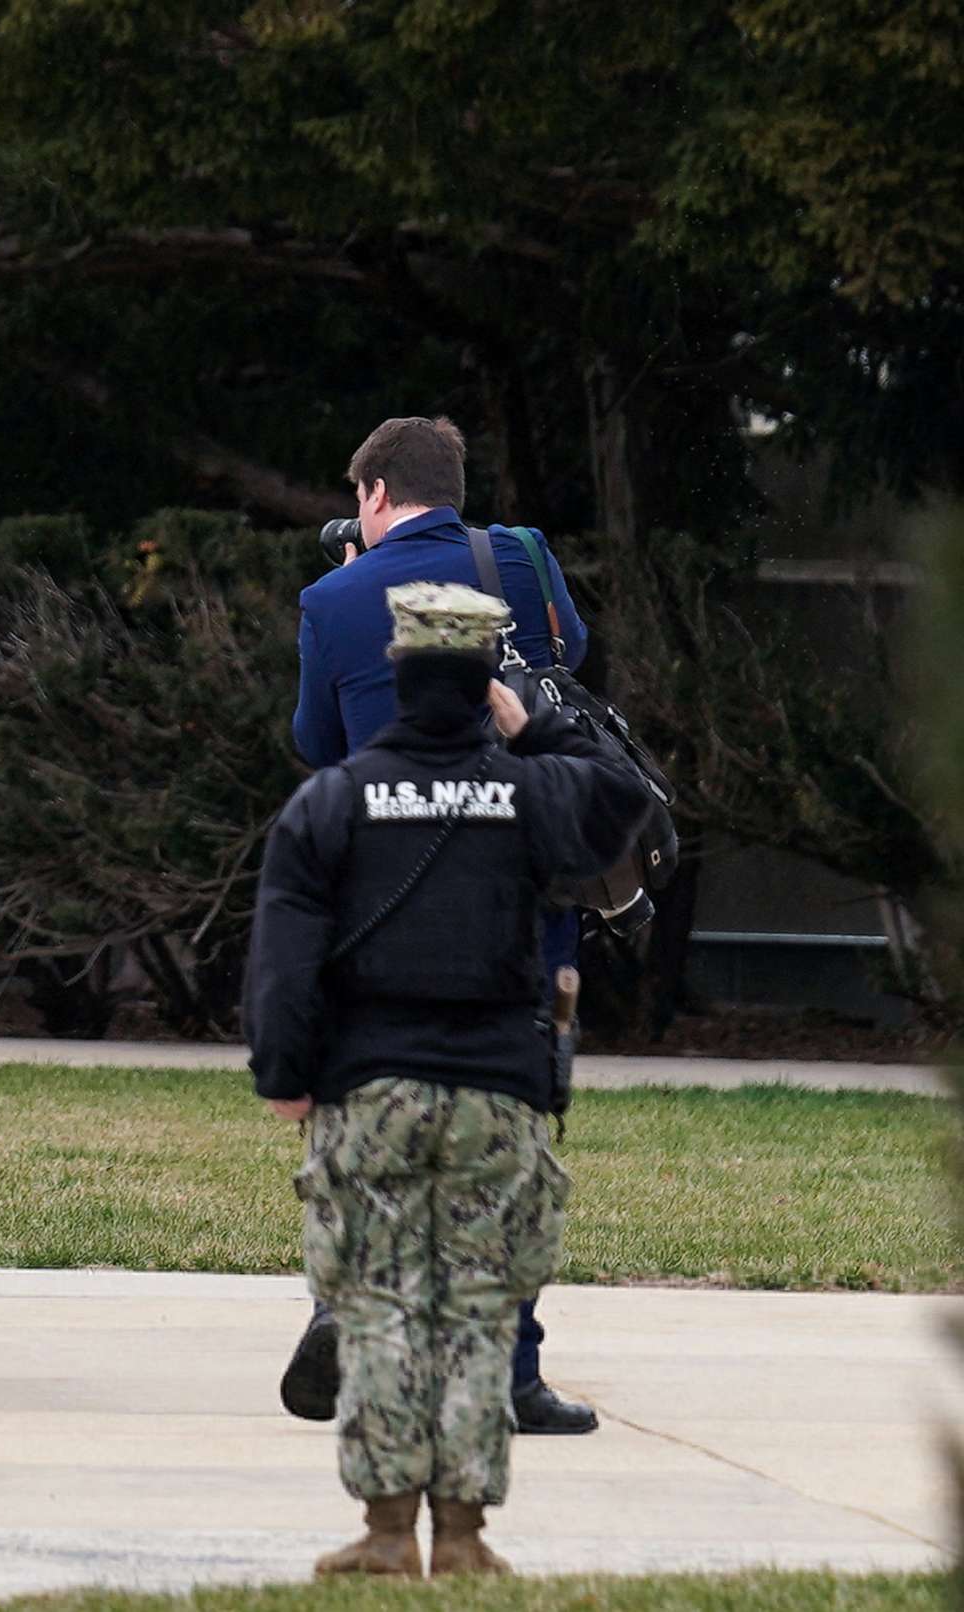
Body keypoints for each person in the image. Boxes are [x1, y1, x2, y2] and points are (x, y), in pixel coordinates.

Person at [249, 582, 650, 1578]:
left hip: (370, 1092)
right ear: (485, 685)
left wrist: (287, 1073)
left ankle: (387, 1532)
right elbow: (630, 801)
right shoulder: (530, 791)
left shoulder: (334, 800)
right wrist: (546, 722)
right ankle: (466, 1538)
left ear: (394, 668)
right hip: (499, 1094)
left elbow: (285, 955)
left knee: (378, 1306)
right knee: (479, 1308)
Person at [282, 415, 598, 1437]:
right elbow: (571, 659)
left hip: (383, 903)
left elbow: (315, 740)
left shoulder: (331, 598)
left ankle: (359, 1319)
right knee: (511, 1145)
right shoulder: (524, 561)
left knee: (371, 1126)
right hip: (520, 888)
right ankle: (514, 1367)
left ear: (373, 495)